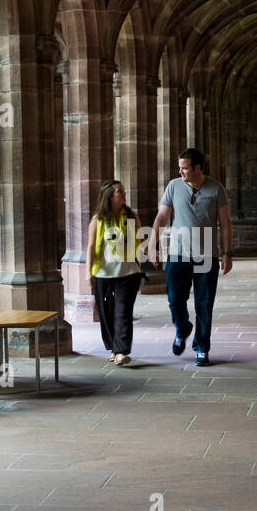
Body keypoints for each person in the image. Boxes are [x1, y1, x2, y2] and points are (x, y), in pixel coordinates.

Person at [148, 148, 233, 367]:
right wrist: (151, 245)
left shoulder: (216, 189)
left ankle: (201, 348)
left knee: (204, 304)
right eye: (180, 167)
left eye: (184, 167)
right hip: (177, 253)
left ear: (197, 168)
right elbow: (162, 217)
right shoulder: (173, 186)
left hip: (207, 254)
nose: (180, 171)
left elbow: (225, 223)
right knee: (175, 299)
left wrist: (227, 252)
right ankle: (182, 328)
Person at [86, 179, 142, 365]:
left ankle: (121, 351)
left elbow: (140, 240)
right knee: (106, 313)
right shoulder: (98, 220)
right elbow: (91, 246)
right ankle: (113, 347)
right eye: (119, 191)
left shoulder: (132, 216)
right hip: (103, 274)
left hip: (128, 273)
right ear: (109, 196)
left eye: (123, 190)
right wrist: (88, 272)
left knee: (123, 312)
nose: (123, 193)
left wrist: (151, 252)